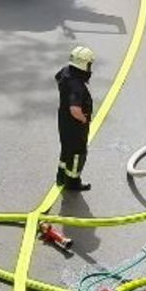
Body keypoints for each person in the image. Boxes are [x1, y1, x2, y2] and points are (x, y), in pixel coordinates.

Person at [55, 46, 95, 191]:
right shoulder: (76, 85)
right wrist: (84, 119)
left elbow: (57, 78)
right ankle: (72, 182)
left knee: (66, 149)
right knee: (77, 153)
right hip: (75, 125)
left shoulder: (66, 72)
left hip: (63, 120)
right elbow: (75, 109)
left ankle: (61, 177)